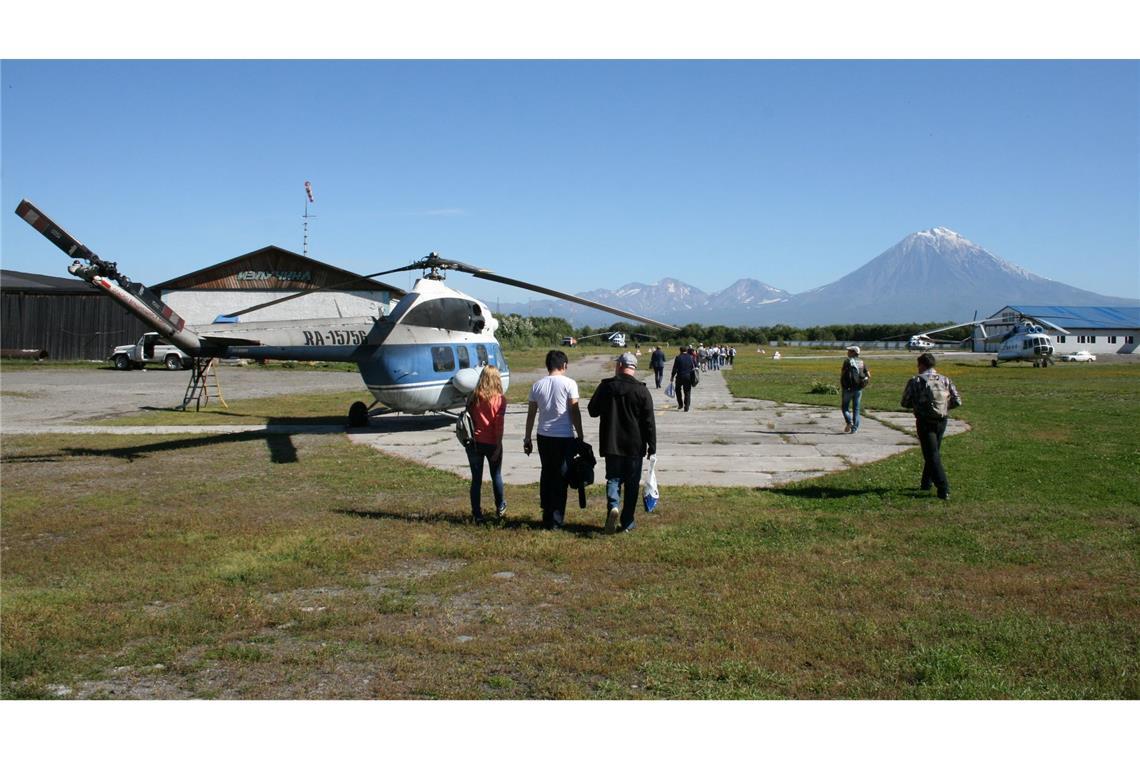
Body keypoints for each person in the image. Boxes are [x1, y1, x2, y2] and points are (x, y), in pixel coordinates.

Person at [588, 352, 657, 534]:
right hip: (635, 446)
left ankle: (613, 506)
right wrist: (652, 446)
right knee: (632, 484)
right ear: (634, 368)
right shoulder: (642, 391)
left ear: (619, 366)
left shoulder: (606, 387)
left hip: (612, 444)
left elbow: (592, 411)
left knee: (613, 478)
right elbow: (649, 422)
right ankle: (627, 522)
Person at [523, 350, 585, 530]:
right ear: (564, 365)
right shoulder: (569, 384)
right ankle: (556, 519)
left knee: (547, 473)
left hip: (543, 436)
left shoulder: (537, 385)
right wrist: (580, 435)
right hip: (564, 437)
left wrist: (527, 438)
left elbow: (531, 415)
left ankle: (547, 512)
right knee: (561, 476)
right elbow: (574, 411)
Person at [900, 352, 962, 501]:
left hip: (924, 421)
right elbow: (957, 400)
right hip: (941, 420)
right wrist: (943, 408)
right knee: (933, 451)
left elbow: (905, 402)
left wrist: (918, 405)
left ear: (921, 365)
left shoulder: (915, 381)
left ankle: (943, 488)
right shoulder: (945, 379)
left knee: (931, 454)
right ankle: (926, 483)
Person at [465, 365, 507, 524]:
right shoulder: (500, 400)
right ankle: (500, 506)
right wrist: (498, 445)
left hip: (475, 443)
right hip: (492, 443)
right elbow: (499, 425)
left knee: (476, 480)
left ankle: (477, 513)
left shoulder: (474, 396)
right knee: (496, 475)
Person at [839, 345, 871, 433]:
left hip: (848, 388)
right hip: (858, 389)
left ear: (854, 352)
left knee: (845, 407)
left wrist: (843, 383)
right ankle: (854, 429)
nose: (848, 352)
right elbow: (868, 375)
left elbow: (842, 373)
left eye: (850, 351)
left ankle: (849, 422)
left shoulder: (847, 361)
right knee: (856, 409)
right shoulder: (862, 362)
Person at [670, 346, 697, 412]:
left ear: (680, 351)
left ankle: (680, 404)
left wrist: (672, 377)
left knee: (677, 389)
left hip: (680, 376)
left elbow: (675, 368)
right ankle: (686, 406)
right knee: (687, 392)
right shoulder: (691, 357)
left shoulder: (678, 357)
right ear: (686, 350)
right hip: (688, 376)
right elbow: (695, 365)